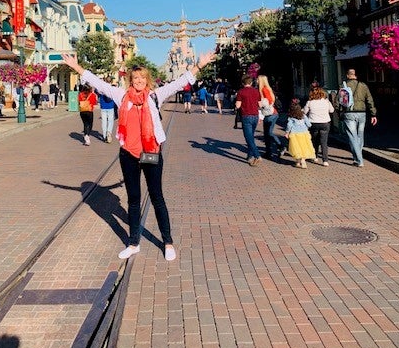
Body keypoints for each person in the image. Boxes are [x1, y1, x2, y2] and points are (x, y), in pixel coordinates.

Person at [62, 50, 215, 262]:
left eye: (142, 78)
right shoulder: (121, 96)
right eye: (135, 78)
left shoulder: (155, 95)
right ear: (130, 80)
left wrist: (200, 65)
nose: (139, 81)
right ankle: (133, 243)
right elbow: (98, 83)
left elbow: (180, 83)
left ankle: (168, 242)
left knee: (156, 197)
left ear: (147, 80)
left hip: (150, 152)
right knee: (133, 200)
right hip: (129, 154)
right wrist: (76, 68)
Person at [339, 68, 377, 167]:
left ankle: (359, 159)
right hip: (362, 113)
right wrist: (373, 114)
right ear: (356, 75)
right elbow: (369, 100)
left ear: (348, 75)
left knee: (352, 136)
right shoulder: (363, 86)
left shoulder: (343, 86)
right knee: (360, 135)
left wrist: (340, 112)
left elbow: (338, 101)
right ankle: (358, 156)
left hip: (349, 113)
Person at [303, 86, 334, 166]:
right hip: (325, 122)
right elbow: (332, 110)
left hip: (313, 123)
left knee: (315, 141)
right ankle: (325, 160)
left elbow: (305, 112)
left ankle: (315, 157)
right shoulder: (326, 101)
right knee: (324, 142)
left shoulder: (310, 102)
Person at [235, 75, 261, 166]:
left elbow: (238, 105)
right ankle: (249, 156)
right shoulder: (256, 91)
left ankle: (257, 155)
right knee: (251, 137)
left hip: (246, 116)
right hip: (255, 116)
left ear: (243, 83)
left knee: (248, 138)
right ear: (251, 83)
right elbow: (260, 104)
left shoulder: (241, 92)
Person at [257, 75, 282, 160]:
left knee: (269, 133)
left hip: (271, 113)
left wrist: (261, 104)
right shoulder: (266, 89)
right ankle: (268, 152)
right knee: (266, 134)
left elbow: (269, 101)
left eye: (258, 79)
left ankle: (280, 145)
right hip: (268, 113)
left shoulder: (264, 89)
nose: (256, 81)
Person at [285, 100, 315, 169]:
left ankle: (298, 162)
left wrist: (287, 133)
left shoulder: (291, 118)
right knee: (304, 147)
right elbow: (309, 124)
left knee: (297, 148)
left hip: (295, 134)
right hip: (304, 134)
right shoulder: (303, 116)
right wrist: (305, 127)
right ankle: (303, 160)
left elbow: (289, 126)